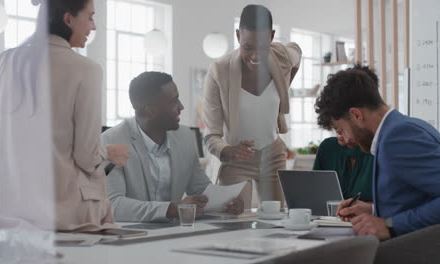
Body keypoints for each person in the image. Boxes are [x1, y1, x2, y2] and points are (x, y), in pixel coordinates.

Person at [0, 0, 129, 231]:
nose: (93, 27)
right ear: (68, 19)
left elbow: (3, 135)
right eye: (90, 17)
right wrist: (108, 152)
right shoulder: (87, 69)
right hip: (68, 213)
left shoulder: (5, 62)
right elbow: (86, 156)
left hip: (13, 211)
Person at [315, 64, 440, 240]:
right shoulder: (404, 128)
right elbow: (417, 197)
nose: (345, 140)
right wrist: (373, 209)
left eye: (340, 129)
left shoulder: (396, 138)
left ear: (356, 115)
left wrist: (390, 224)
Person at [101, 72, 244, 222]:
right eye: (174, 101)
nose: (181, 107)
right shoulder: (111, 141)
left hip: (174, 234)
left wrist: (226, 203)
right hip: (130, 236)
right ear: (150, 111)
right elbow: (113, 205)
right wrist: (172, 209)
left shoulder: (185, 137)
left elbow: (201, 190)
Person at [202, 4, 301, 208]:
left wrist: (283, 85)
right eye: (248, 47)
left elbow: (297, 53)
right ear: (238, 36)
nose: (255, 56)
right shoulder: (219, 71)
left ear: (272, 36)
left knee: (275, 223)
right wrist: (228, 152)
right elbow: (211, 135)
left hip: (273, 154)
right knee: (235, 224)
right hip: (236, 159)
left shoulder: (282, 56)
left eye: (263, 47)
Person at [313, 132, 373, 202]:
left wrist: (369, 208)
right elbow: (314, 192)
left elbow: (386, 203)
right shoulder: (328, 147)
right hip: (327, 213)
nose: (337, 131)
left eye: (345, 120)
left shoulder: (377, 149)